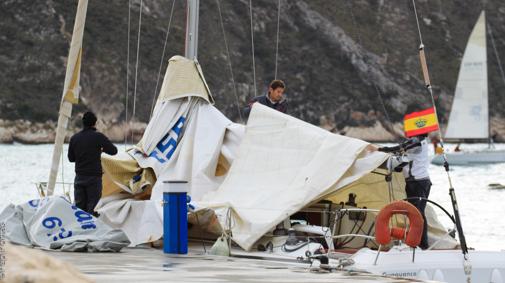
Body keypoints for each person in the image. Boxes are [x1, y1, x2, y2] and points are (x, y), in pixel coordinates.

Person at [378, 133, 431, 249]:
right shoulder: (421, 142)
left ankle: (422, 244)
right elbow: (399, 165)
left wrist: (382, 151)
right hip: (421, 182)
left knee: (417, 214)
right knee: (419, 213)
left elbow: (400, 151)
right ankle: (421, 243)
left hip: (417, 183)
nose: (409, 138)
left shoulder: (417, 143)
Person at [68, 111, 117, 216]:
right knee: (93, 210)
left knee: (79, 210)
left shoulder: (74, 138)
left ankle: (80, 230)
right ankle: (91, 230)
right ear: (95, 123)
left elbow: (71, 159)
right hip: (93, 179)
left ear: (83, 123)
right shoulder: (98, 137)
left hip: (79, 178)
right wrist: (101, 149)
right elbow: (114, 151)